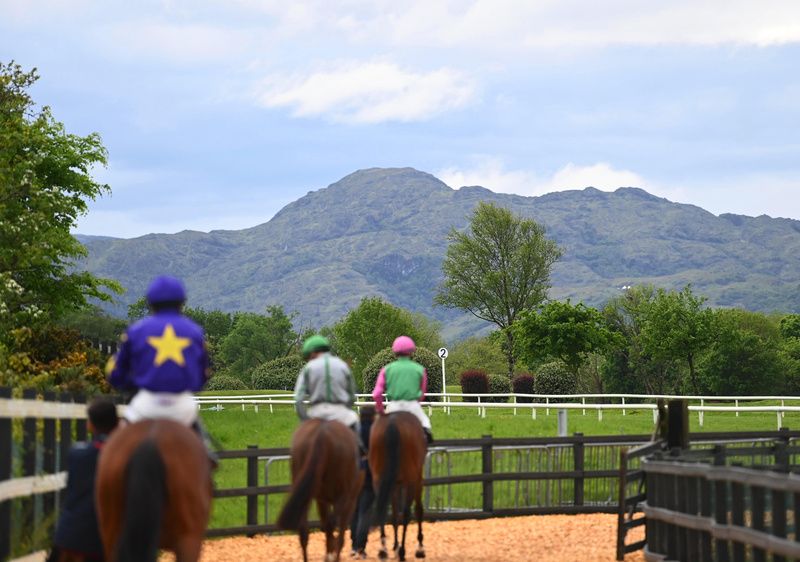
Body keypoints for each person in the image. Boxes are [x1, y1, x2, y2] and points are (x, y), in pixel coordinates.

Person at [106, 275, 216, 464]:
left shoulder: (135, 331)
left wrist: (129, 385)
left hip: (145, 404)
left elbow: (115, 372)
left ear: (150, 303)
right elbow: (203, 375)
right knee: (203, 452)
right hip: (182, 405)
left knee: (113, 451)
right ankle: (208, 462)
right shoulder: (195, 332)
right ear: (181, 303)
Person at [48, 398, 119, 562]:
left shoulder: (76, 453)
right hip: (104, 540)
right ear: (116, 423)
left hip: (68, 536)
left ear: (90, 425)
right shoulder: (125, 457)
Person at [293, 334, 360, 436]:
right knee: (357, 427)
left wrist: (305, 420)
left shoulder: (308, 368)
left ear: (312, 353)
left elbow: (298, 399)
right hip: (341, 413)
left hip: (316, 413)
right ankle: (360, 448)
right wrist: (346, 408)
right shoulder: (343, 366)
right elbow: (352, 395)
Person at [371, 335, 433, 444]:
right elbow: (422, 394)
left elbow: (376, 394)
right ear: (411, 351)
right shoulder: (420, 369)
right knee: (426, 424)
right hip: (413, 406)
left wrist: (381, 411)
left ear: (395, 351)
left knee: (378, 434)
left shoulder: (386, 369)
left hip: (393, 406)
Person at [350, 406, 376, 558]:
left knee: (354, 510)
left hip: (353, 473)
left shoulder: (354, 430)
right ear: (373, 416)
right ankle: (360, 546)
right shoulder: (376, 430)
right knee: (365, 512)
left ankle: (353, 544)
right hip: (368, 473)